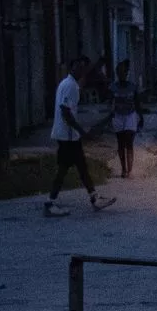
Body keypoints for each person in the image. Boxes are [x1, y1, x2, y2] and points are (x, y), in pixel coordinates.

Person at [45, 55, 116, 217]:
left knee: (81, 166)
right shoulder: (71, 87)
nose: (81, 70)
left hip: (67, 134)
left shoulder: (66, 83)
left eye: (83, 67)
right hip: (68, 135)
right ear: (72, 68)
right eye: (78, 66)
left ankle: (94, 197)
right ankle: (50, 202)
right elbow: (65, 111)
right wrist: (81, 131)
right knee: (64, 169)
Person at [108, 59, 144, 178]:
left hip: (130, 115)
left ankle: (129, 169)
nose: (121, 75)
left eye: (124, 72)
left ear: (127, 73)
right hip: (118, 115)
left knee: (129, 141)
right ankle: (123, 168)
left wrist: (141, 117)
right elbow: (110, 103)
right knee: (120, 142)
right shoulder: (112, 88)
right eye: (119, 72)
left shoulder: (133, 87)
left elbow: (137, 102)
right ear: (117, 73)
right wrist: (111, 116)